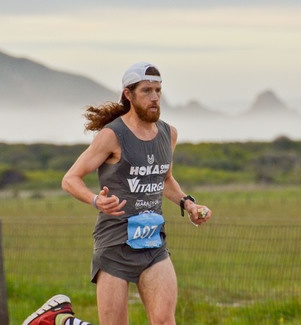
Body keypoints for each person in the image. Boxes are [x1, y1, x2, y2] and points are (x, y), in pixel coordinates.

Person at [23, 61, 212, 325]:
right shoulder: (112, 135)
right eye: (147, 90)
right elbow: (70, 179)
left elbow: (165, 179)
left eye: (158, 90)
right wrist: (95, 200)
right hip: (114, 244)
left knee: (165, 322)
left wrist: (188, 203)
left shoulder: (168, 134)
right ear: (128, 93)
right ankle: (60, 322)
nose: (155, 97)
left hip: (153, 244)